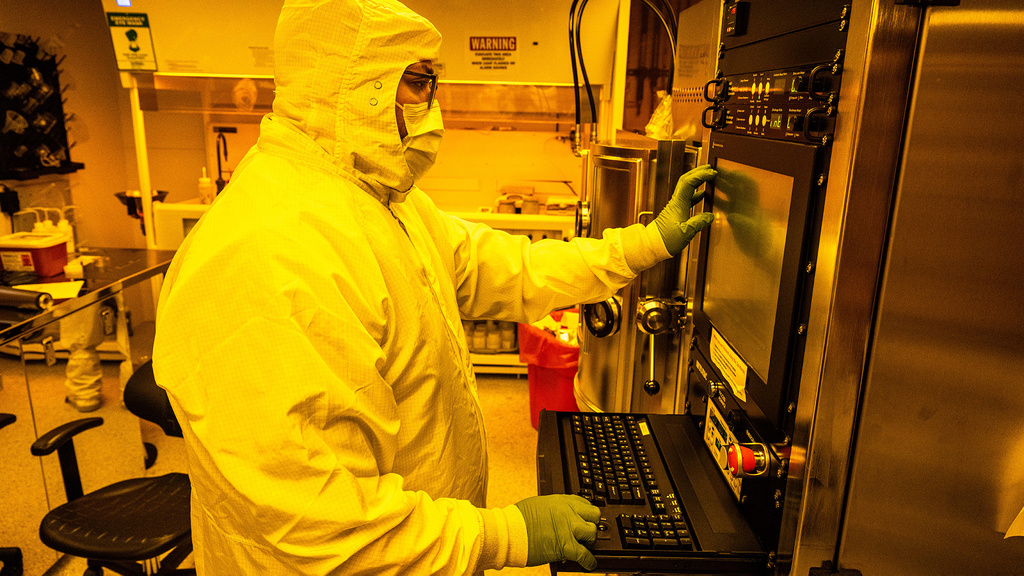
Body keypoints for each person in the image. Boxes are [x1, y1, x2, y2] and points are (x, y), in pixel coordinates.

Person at [151, 0, 715, 573]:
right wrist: (504, 536)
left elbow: (506, 268)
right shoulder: (272, 253)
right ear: (357, 86)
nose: (433, 108)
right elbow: (317, 526)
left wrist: (642, 246)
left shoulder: (376, 200)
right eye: (418, 83)